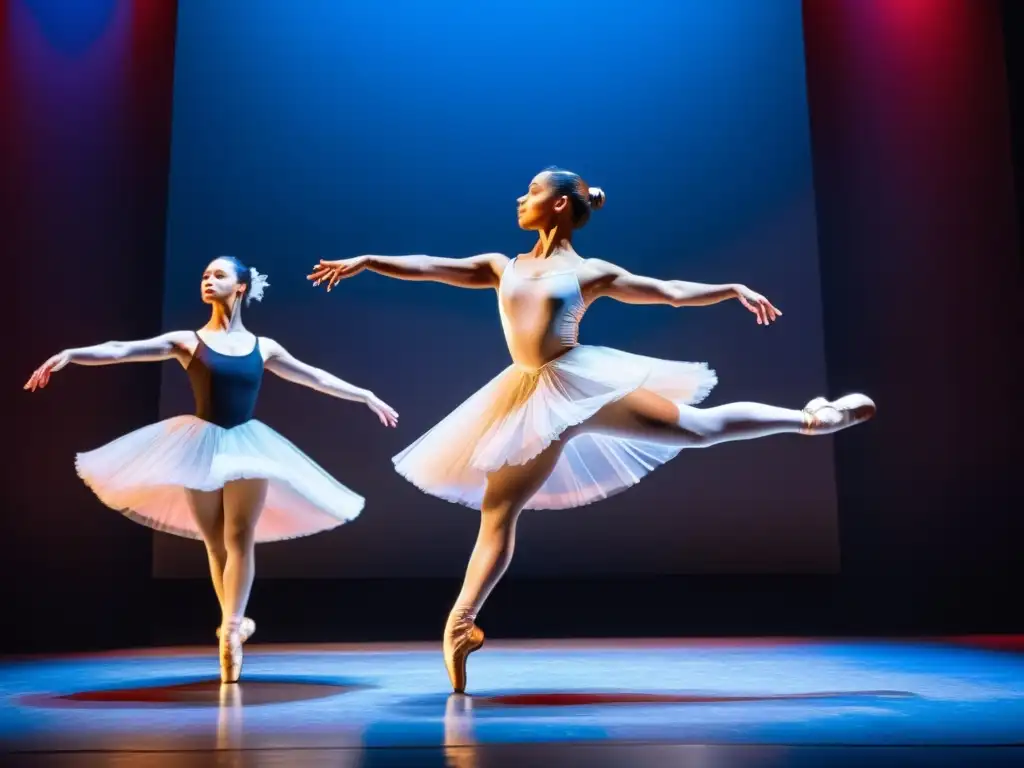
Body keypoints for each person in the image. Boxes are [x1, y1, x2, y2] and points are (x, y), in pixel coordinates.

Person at [308, 167, 875, 693]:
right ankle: (460, 625)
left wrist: (728, 288)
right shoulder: (500, 266)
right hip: (527, 395)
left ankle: (812, 418)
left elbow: (668, 291)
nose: (519, 199)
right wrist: (369, 259)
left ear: (557, 205)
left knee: (698, 428)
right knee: (497, 511)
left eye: (529, 193)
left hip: (581, 384)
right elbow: (429, 265)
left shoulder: (589, 272)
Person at [25, 256, 398, 683]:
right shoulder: (187, 341)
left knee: (239, 537)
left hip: (247, 447)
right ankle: (232, 625)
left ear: (240, 287)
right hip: (199, 444)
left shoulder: (264, 347)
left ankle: (232, 631)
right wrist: (71, 354)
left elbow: (313, 376)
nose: (207, 280)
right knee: (214, 541)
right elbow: (123, 350)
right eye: (204, 275)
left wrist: (364, 394)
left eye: (218, 275)